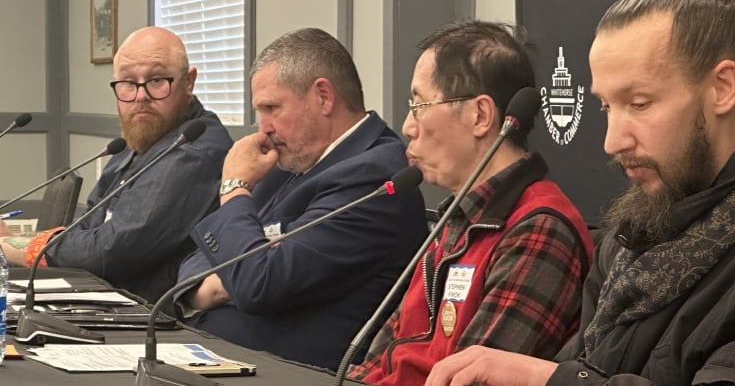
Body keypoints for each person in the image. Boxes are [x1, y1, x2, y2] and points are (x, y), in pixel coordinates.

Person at [425, 0, 735, 386]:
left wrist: (549, 380)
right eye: (606, 106)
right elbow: (588, 363)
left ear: (722, 88)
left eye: (639, 103)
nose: (612, 141)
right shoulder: (630, 235)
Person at [348, 20, 593, 386]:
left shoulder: (540, 228)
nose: (407, 126)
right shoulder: (459, 215)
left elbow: (468, 380)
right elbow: (385, 353)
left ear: (480, 115)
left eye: (419, 105)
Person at [175, 27, 428, 370]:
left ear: (323, 96)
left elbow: (260, 283)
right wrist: (217, 284)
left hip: (288, 372)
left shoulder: (374, 177)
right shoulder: (291, 159)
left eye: (271, 108)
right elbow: (204, 253)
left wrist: (234, 186)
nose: (262, 127)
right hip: (214, 355)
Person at [0, 26, 233, 306]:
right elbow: (87, 226)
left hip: (148, 314)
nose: (140, 95)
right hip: (99, 294)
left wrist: (12, 248)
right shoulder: (139, 138)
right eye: (128, 83)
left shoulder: (195, 149)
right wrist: (22, 243)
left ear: (188, 81)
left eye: (157, 80)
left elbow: (112, 250)